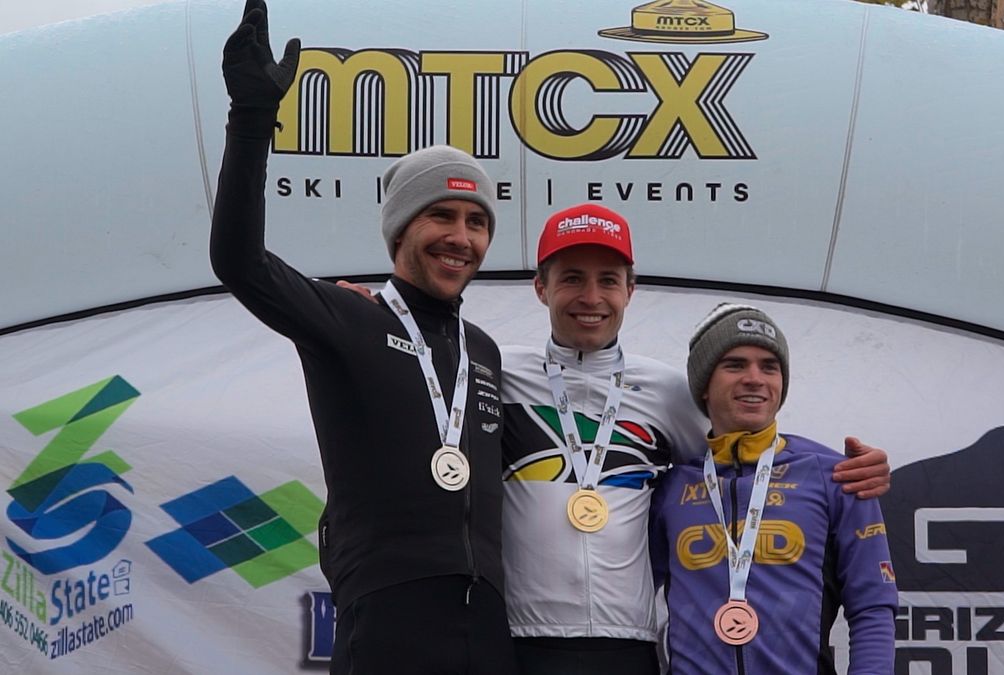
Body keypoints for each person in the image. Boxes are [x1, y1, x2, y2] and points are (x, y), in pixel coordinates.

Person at [209, 1, 516, 672]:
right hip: (388, 616)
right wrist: (252, 119)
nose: (461, 237)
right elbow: (240, 262)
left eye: (477, 221)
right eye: (441, 215)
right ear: (401, 228)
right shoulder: (349, 319)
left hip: (492, 627)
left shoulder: (485, 353)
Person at [495, 206, 892, 674]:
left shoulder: (667, 391)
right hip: (519, 639)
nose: (591, 296)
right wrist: (384, 318)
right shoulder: (493, 369)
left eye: (608, 280)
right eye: (572, 278)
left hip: (628, 650)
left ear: (630, 289)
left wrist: (847, 468)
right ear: (541, 287)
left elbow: (740, 452)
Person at [649, 304, 898, 674]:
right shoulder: (671, 486)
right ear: (703, 385)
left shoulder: (838, 475)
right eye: (735, 365)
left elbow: (873, 606)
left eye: (769, 366)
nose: (755, 378)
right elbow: (631, 601)